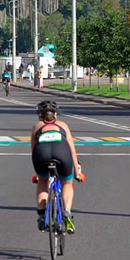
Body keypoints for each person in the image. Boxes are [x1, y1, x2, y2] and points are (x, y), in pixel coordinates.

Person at [30, 100, 81, 234]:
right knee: (67, 183)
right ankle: (67, 212)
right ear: (55, 115)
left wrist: (38, 173)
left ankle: (42, 216)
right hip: (62, 153)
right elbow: (72, 150)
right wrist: (77, 170)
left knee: (42, 181)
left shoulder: (37, 127)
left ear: (40, 116)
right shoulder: (63, 125)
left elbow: (33, 151)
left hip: (42, 155)